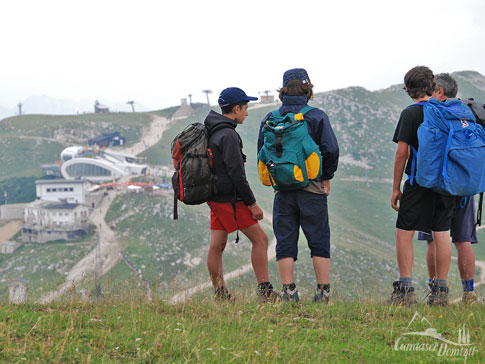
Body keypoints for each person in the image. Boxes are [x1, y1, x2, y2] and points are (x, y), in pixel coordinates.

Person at [257, 68, 339, 303]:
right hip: (312, 187)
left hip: (282, 189)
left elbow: (262, 151)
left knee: (285, 239)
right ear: (307, 88)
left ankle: (288, 291)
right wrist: (327, 176)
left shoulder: (270, 118)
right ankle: (323, 292)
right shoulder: (316, 116)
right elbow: (331, 149)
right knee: (318, 238)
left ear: (283, 90)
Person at [204, 87, 277, 302]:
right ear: (235, 109)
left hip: (215, 197)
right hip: (229, 199)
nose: (247, 112)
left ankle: (220, 294)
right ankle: (265, 291)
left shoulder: (212, 130)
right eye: (245, 108)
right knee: (261, 239)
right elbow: (237, 174)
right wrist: (252, 203)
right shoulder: (228, 135)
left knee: (217, 245)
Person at [390, 66, 454, 306]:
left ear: (408, 89)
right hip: (446, 183)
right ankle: (441, 292)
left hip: (418, 182)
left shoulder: (411, 113)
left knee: (404, 231)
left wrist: (396, 188)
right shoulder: (446, 111)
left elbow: (401, 154)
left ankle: (405, 290)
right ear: (432, 86)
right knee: (442, 233)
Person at [417, 73, 479, 305]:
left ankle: (436, 289)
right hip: (465, 185)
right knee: (463, 240)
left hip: (440, 185)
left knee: (434, 238)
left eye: (431, 90)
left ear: (440, 92)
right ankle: (469, 294)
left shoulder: (435, 112)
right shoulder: (467, 113)